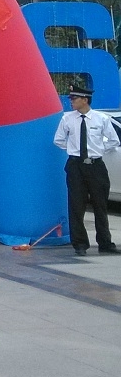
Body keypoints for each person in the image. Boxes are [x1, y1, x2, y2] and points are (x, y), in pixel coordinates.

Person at [53, 84, 120, 256]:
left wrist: (98, 150)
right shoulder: (67, 119)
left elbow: (113, 140)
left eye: (74, 98)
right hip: (76, 165)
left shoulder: (101, 119)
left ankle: (105, 242)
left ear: (85, 100)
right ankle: (80, 243)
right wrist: (73, 149)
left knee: (100, 205)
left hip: (96, 166)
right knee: (76, 206)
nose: (71, 101)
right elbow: (58, 140)